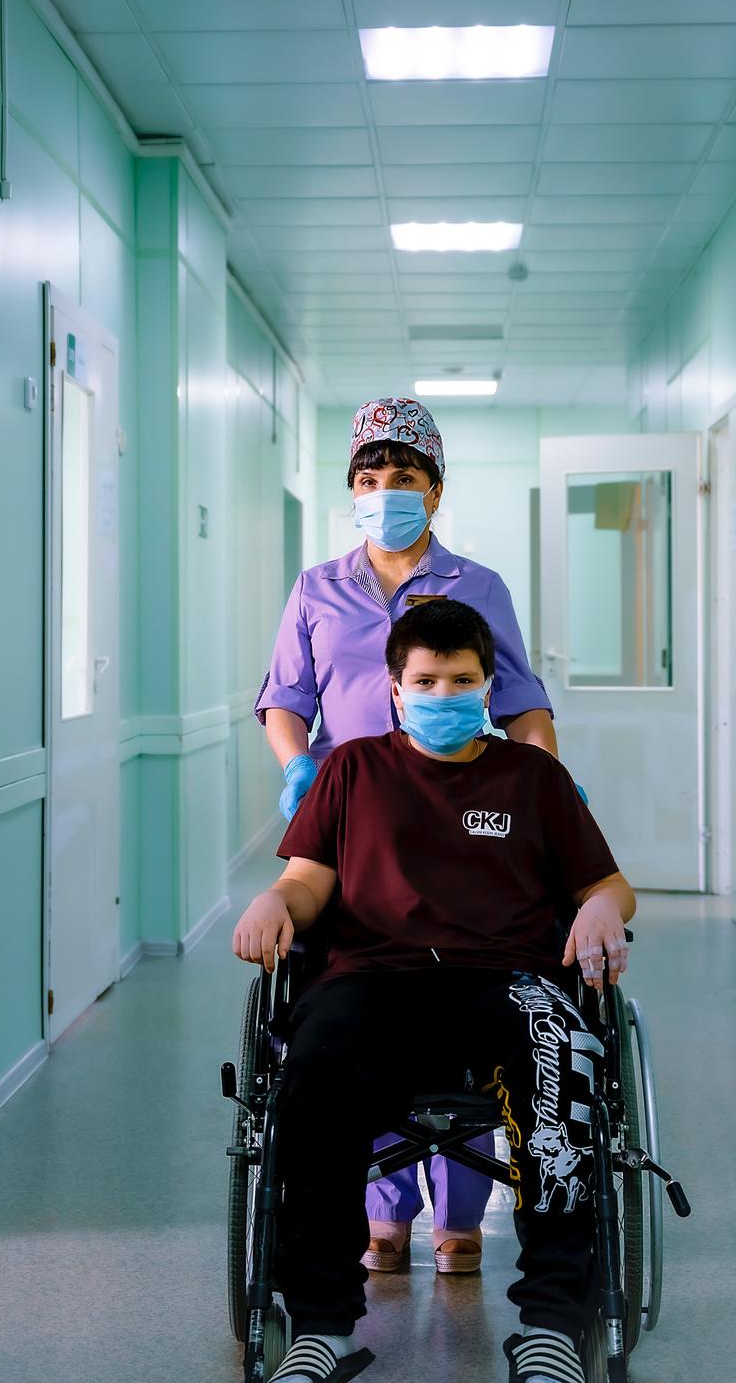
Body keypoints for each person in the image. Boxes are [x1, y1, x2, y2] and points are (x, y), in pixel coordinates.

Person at [235, 600, 635, 1383]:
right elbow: (307, 881)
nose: (443, 693)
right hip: (374, 977)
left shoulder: (533, 777)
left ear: (488, 686)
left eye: (461, 679)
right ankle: (322, 1325)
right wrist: (275, 900)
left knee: (560, 1058)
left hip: (507, 979)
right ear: (394, 687)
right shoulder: (350, 770)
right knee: (313, 1067)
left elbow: (609, 886)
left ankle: (552, 1323)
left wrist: (595, 908)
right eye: (426, 679)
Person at [255, 396, 557, 1275]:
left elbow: (521, 700)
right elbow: (285, 699)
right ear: (351, 489)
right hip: (346, 819)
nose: (386, 492)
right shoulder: (318, 587)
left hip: (452, 817)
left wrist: (546, 783)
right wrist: (299, 767)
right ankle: (380, 1208)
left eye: (405, 480)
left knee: (462, 976)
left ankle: (460, 1210)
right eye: (369, 479)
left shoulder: (476, 587)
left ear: (434, 490)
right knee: (360, 982)